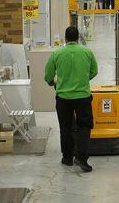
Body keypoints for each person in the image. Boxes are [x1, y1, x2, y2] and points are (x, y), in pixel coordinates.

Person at [44, 26, 98, 173]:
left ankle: (67, 157)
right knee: (84, 126)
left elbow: (48, 75)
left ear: (65, 38)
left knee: (65, 127)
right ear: (78, 37)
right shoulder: (87, 52)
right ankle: (82, 157)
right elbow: (94, 71)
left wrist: (52, 82)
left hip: (63, 97)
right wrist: (83, 80)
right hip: (83, 96)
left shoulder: (57, 53)